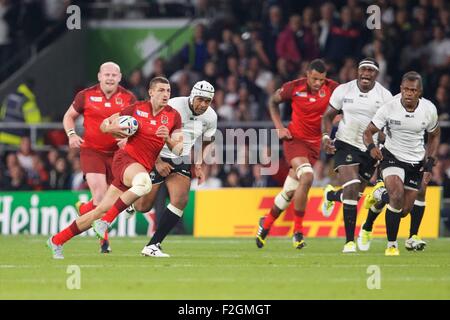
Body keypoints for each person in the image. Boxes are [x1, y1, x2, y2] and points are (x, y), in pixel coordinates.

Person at [46, 77, 182, 259]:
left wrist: (168, 139)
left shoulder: (173, 116)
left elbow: (180, 148)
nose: (165, 94)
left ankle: (57, 240)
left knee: (99, 210)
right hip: (125, 160)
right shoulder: (136, 108)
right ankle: (107, 222)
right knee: (144, 183)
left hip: (140, 167)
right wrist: (115, 130)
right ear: (151, 92)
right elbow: (104, 125)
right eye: (161, 90)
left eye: (168, 91)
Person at [127, 80, 217, 257]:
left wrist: (198, 163)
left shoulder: (211, 116)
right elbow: (149, 131)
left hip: (180, 157)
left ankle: (153, 244)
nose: (203, 105)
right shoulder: (173, 105)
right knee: (142, 207)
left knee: (181, 199)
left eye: (208, 101)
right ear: (192, 96)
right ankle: (131, 196)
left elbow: (208, 140)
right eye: (200, 99)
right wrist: (158, 162)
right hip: (156, 153)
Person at [256, 59, 339, 249]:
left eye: (322, 80)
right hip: (294, 141)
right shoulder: (293, 87)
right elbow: (273, 102)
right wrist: (279, 128)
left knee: (290, 191)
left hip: (314, 145)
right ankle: (298, 232)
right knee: (308, 176)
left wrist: (340, 116)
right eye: (315, 79)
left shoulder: (333, 88)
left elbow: (346, 102)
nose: (318, 83)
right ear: (308, 74)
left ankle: (265, 224)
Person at [363, 71, 440, 256]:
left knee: (404, 210)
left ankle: (381, 194)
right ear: (401, 89)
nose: (408, 93)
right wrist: (372, 148)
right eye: (405, 89)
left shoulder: (428, 110)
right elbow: (368, 132)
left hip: (415, 161)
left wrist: (429, 163)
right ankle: (391, 245)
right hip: (392, 156)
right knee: (396, 195)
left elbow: (435, 135)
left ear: (419, 92)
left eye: (413, 90)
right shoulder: (389, 107)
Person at [62, 61, 136, 253]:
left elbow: (138, 125)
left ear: (119, 78)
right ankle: (104, 242)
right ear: (99, 76)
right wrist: (71, 135)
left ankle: (85, 209)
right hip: (92, 152)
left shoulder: (129, 98)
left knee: (105, 203)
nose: (110, 78)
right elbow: (68, 116)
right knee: (101, 196)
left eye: (114, 75)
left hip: (118, 155)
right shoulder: (85, 95)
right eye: (107, 74)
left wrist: (127, 140)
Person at [320, 58, 393, 253]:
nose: (366, 73)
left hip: (370, 149)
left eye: (371, 70)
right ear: (357, 71)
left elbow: (389, 126)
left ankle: (330, 195)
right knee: (351, 188)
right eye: (363, 69)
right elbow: (327, 116)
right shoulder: (344, 90)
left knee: (355, 194)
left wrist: (385, 146)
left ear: (376, 74)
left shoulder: (385, 96)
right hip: (346, 143)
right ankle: (349, 242)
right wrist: (326, 136)